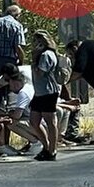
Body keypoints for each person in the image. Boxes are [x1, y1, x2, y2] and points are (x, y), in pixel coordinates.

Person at [28, 31, 63, 161]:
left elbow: (40, 73)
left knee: (50, 121)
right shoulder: (41, 55)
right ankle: (46, 146)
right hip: (39, 92)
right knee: (34, 121)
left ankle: (52, 150)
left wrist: (34, 58)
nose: (36, 44)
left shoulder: (46, 55)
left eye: (39, 41)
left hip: (48, 92)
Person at [0, 5, 26, 75]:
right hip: (9, 60)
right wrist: (21, 61)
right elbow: (18, 47)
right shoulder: (17, 25)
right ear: (17, 15)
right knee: (8, 80)